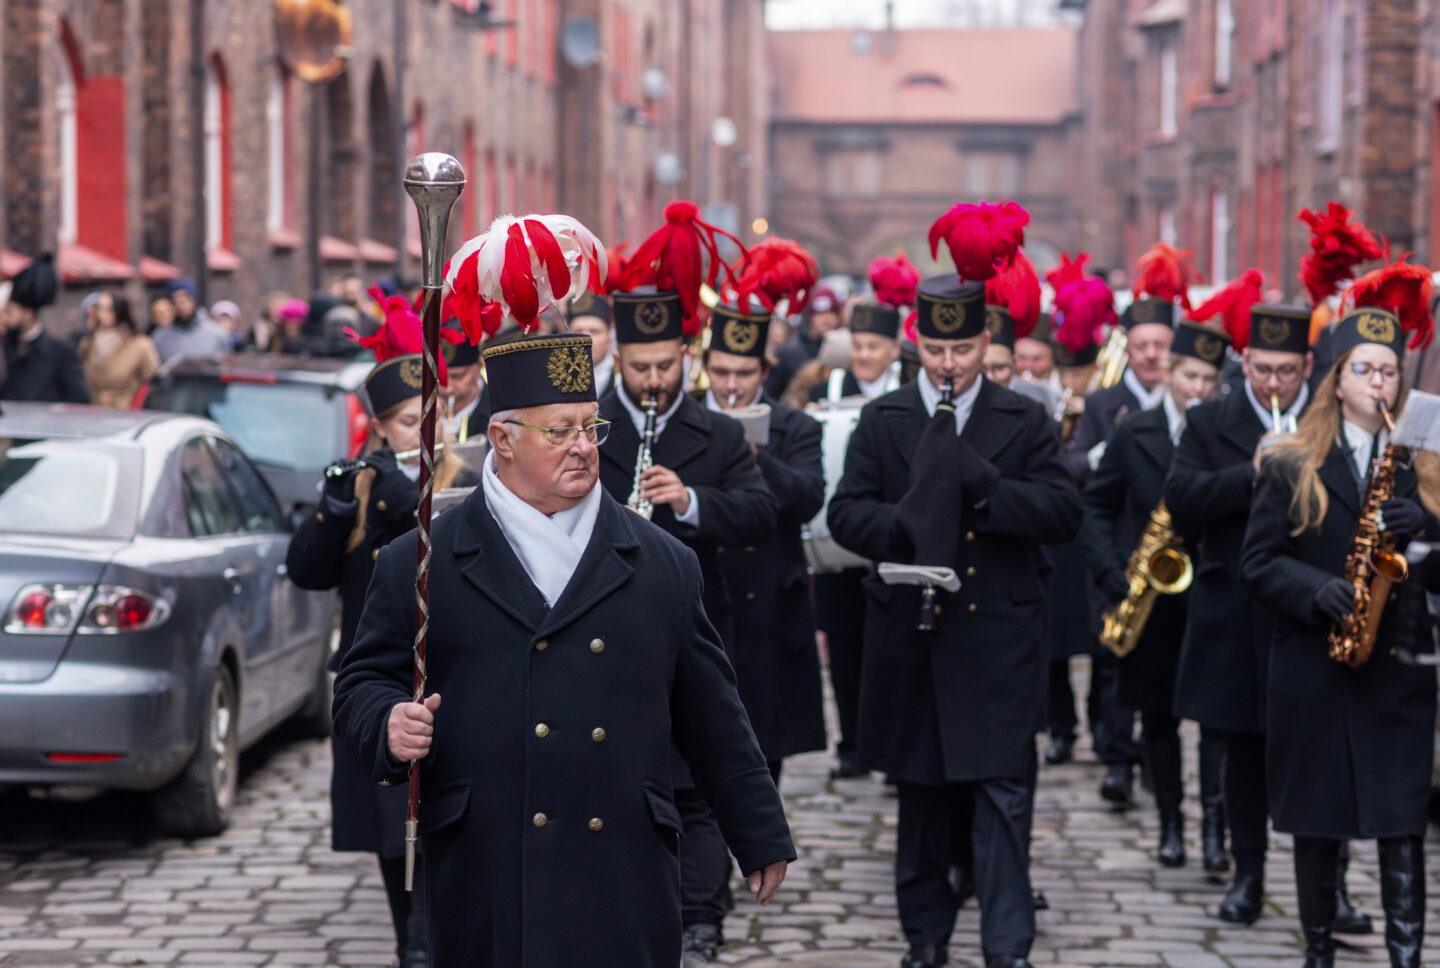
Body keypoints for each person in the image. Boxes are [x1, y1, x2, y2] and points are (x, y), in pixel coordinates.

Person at [332, 329, 794, 968]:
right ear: (502, 438)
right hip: (485, 862)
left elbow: (713, 712)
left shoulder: (663, 562)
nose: (582, 447)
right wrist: (387, 722)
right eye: (559, 432)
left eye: (590, 428)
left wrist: (758, 830)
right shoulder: (419, 560)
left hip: (621, 863)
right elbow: (361, 683)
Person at [828, 275, 1082, 968]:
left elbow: (1062, 513)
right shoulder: (884, 420)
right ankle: (926, 938)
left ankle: (1008, 946)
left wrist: (986, 484)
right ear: (917, 342)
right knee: (922, 800)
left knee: (1004, 797)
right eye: (938, 348)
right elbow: (846, 512)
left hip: (997, 637)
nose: (949, 363)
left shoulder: (1023, 417)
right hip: (913, 633)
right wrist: (902, 527)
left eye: (964, 348)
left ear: (986, 343)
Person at [1241, 302, 1439, 968]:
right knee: (1317, 820)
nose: (1379, 382)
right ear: (1337, 380)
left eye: (1389, 371)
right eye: (1365, 369)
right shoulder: (1291, 461)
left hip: (1397, 670)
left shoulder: (1423, 467)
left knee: (1400, 820)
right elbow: (1257, 563)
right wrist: (1313, 590)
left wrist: (1427, 535)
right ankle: (1319, 950)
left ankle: (1407, 954)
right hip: (1313, 667)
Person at [596, 285, 778, 965]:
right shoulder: (587, 424)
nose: (651, 381)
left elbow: (760, 514)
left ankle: (701, 916)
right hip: (607, 633)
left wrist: (693, 501)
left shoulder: (720, 433)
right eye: (639, 367)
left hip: (694, 629)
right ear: (617, 356)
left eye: (664, 366)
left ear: (685, 357)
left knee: (696, 783)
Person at [288, 305, 473, 968]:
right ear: (381, 425)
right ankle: (412, 947)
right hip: (379, 678)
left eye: (425, 419)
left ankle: (436, 942)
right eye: (401, 423)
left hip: (447, 680)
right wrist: (329, 515)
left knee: (443, 826)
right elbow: (306, 572)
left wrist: (406, 492)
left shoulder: (467, 481)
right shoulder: (366, 485)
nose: (415, 432)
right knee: (391, 833)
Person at [1083, 320, 1230, 872]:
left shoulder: (1225, 431)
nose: (1198, 389)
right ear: (1169, 372)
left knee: (1217, 722)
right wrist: (1110, 570)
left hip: (1212, 595)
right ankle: (1171, 825)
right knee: (1159, 718)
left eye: (1208, 379)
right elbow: (1095, 506)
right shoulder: (1134, 430)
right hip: (1151, 599)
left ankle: (1215, 830)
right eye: (1189, 375)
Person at [1062, 265, 1177, 807]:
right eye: (1143, 345)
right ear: (1128, 348)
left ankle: (1159, 760)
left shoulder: (1189, 403)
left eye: (1161, 345)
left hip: (1171, 557)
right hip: (1119, 546)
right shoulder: (1105, 403)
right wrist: (1101, 454)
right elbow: (1074, 462)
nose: (1152, 355)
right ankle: (1116, 760)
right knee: (1112, 656)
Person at [702, 299, 827, 781]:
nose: (731, 386)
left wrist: (755, 455)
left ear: (765, 370)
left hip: (770, 607)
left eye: (744, 373)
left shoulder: (796, 426)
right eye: (722, 372)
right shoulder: (689, 417)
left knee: (761, 756)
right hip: (710, 597)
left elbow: (807, 497)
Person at [808, 289, 908, 780]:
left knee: (891, 648)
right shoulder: (832, 385)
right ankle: (851, 742)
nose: (865, 355)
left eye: (874, 346)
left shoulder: (910, 388)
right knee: (845, 648)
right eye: (859, 345)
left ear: (894, 348)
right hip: (837, 540)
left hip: (890, 537)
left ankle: (890, 746)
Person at [0, 254, 88, 403]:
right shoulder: (5, 346)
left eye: (10, 311)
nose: (4, 317)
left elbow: (78, 400)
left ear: (28, 314)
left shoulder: (60, 352)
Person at [79, 290, 160, 409]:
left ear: (119, 310)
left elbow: (153, 383)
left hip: (126, 414)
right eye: (99, 309)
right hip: (93, 414)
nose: (102, 315)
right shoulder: (87, 344)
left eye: (109, 309)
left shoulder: (139, 345)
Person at [765, 285, 842, 399]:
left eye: (831, 313)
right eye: (820, 314)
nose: (826, 319)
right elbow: (772, 394)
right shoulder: (789, 352)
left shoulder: (845, 350)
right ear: (811, 317)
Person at [151, 278, 230, 362]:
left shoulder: (217, 334)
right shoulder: (159, 337)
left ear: (195, 299)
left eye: (186, 298)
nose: (182, 304)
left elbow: (226, 368)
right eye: (176, 299)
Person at [441, 319, 488, 443]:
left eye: (458, 376)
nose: (448, 388)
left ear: (479, 367)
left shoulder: (495, 411)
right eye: (439, 378)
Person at [565, 291, 617, 398]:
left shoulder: (621, 379)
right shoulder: (556, 380)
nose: (585, 339)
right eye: (578, 331)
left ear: (609, 337)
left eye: (594, 331)